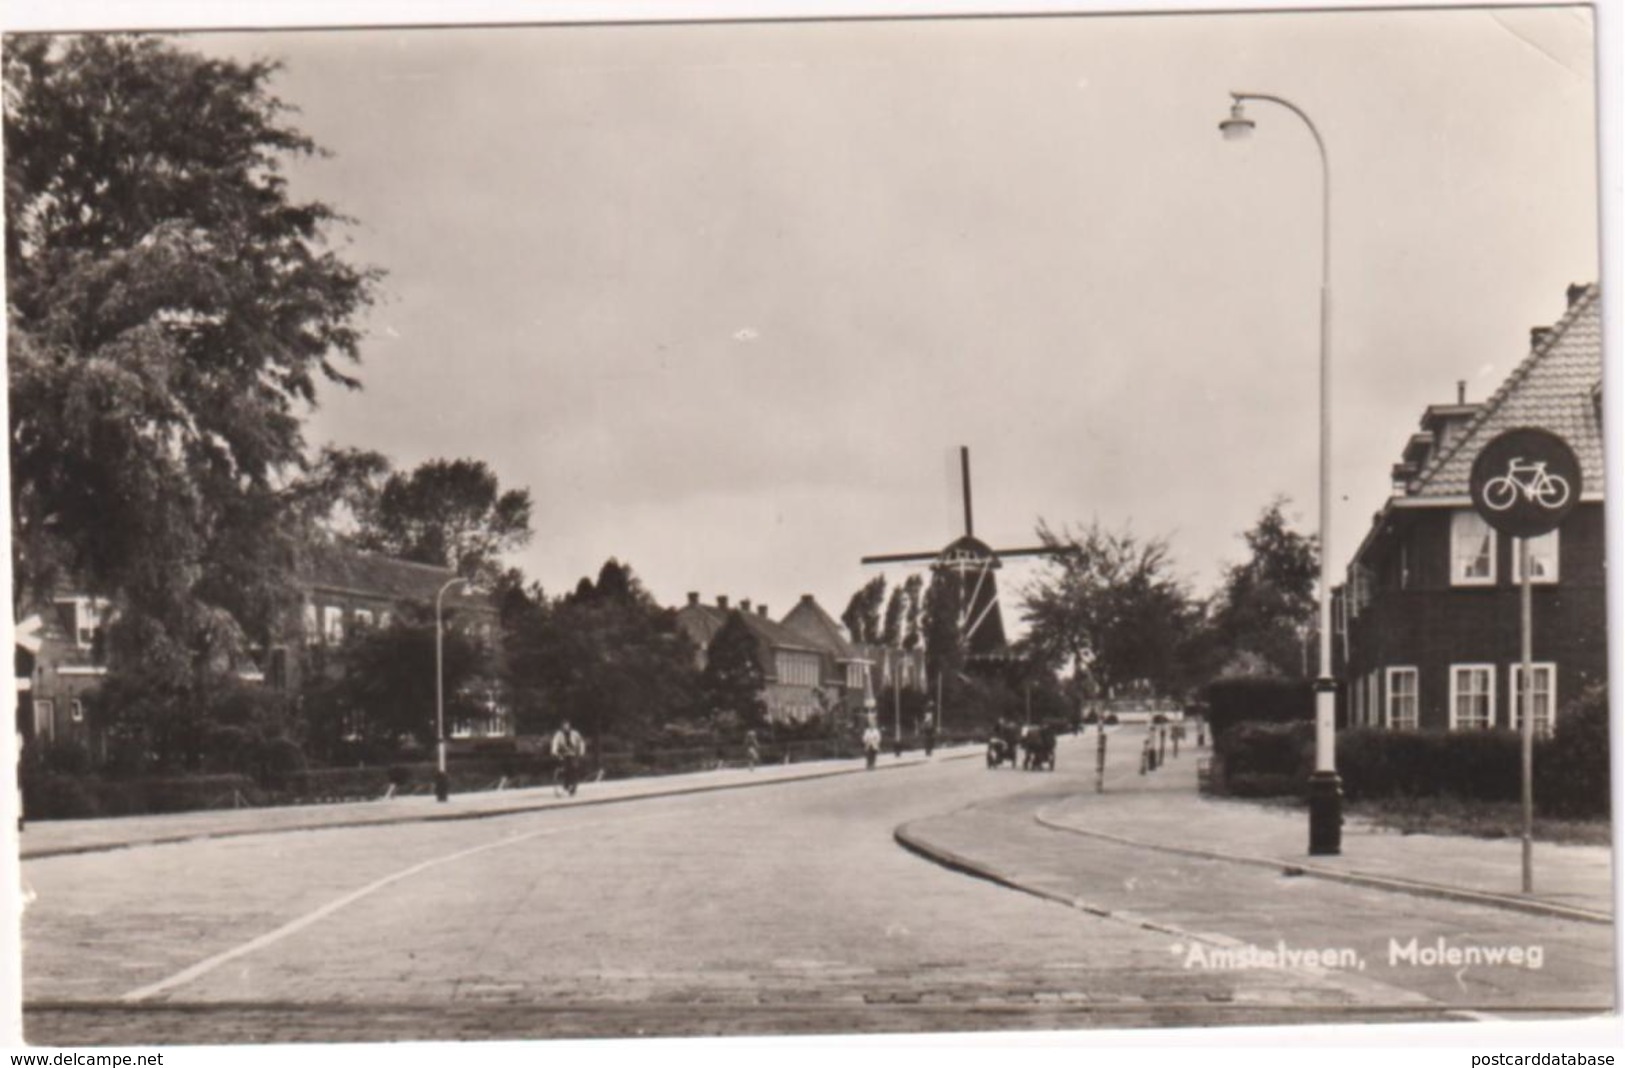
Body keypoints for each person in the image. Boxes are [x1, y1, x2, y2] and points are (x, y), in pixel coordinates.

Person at [550, 718, 587, 796]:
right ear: (562, 726)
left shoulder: (575, 733)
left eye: (567, 725)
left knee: (574, 769)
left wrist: (581, 752)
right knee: (566, 770)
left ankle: (573, 786)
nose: (566, 727)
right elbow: (555, 743)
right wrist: (554, 752)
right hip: (564, 754)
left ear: (569, 726)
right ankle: (566, 785)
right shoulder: (559, 734)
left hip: (573, 754)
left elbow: (581, 742)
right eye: (564, 725)